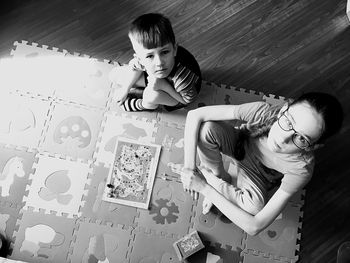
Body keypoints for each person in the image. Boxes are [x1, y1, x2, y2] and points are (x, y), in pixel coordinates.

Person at [180, 92, 343, 235]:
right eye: (288, 122)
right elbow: (195, 115)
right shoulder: (263, 112)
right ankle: (219, 176)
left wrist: (204, 187)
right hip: (239, 145)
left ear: (313, 147)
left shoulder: (301, 169)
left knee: (254, 208)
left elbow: (255, 227)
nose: (283, 138)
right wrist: (189, 167)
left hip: (257, 175)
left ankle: (210, 178)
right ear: (283, 109)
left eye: (301, 138)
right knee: (206, 130)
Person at [109, 13, 201, 112]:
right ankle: (144, 89)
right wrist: (125, 89)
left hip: (177, 94)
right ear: (139, 58)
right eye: (150, 56)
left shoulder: (183, 78)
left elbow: (186, 101)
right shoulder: (143, 60)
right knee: (113, 75)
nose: (159, 62)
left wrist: (164, 86)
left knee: (152, 96)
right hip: (156, 79)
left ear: (174, 49)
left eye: (165, 52)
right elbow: (135, 67)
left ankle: (144, 105)